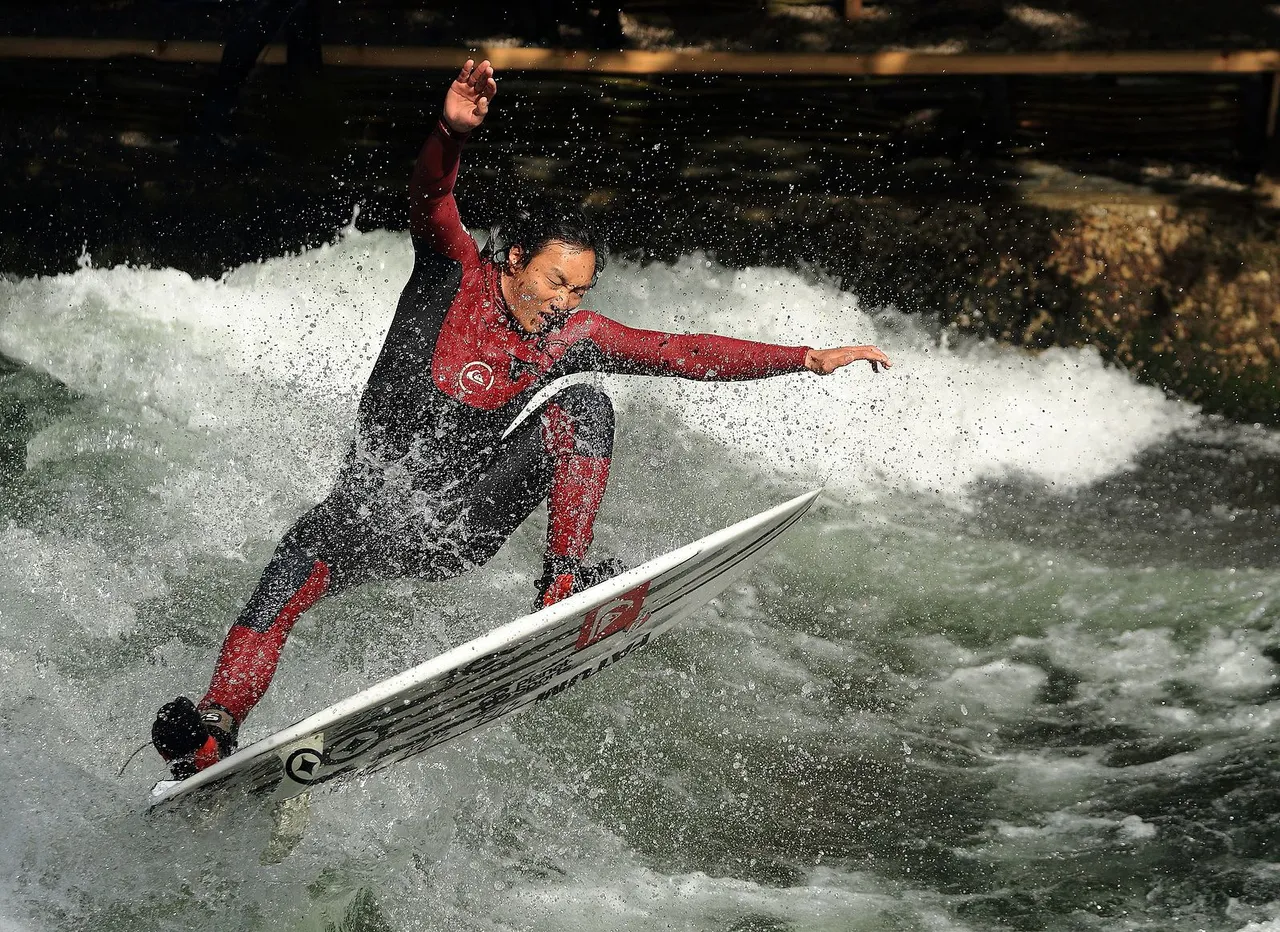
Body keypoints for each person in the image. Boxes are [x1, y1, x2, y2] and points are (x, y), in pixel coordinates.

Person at [151, 59, 893, 779]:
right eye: (556, 281)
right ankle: (214, 734)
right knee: (289, 567)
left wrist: (804, 357)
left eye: (580, 289)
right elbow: (430, 198)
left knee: (586, 406)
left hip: (462, 524)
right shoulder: (453, 272)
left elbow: (681, 351)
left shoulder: (570, 338)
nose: (568, 301)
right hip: (366, 517)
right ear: (512, 259)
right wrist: (450, 132)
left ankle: (561, 584)